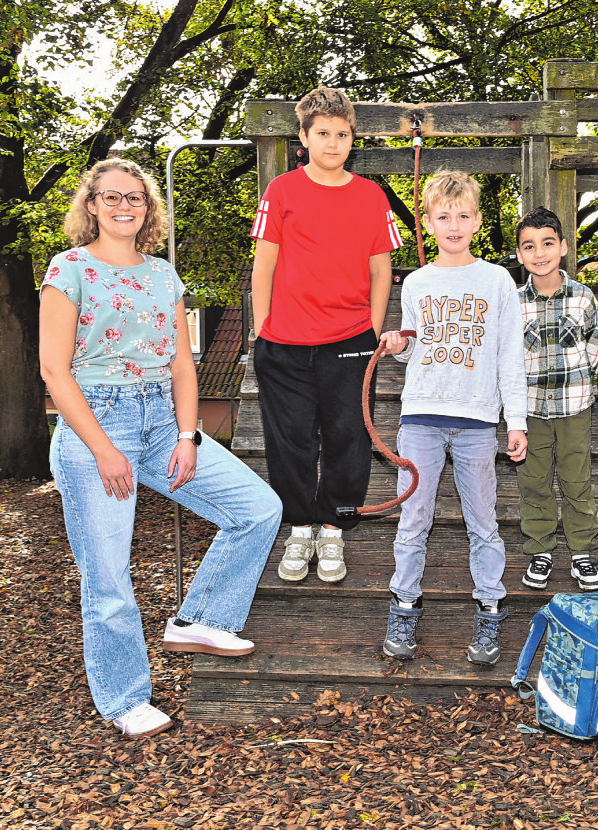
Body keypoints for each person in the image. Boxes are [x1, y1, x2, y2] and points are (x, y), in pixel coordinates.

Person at [40, 158, 283, 738]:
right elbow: (53, 368)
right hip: (96, 424)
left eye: (136, 197)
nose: (124, 206)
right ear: (91, 204)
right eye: (112, 196)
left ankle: (200, 619)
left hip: (161, 422)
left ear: (149, 209)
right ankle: (125, 700)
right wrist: (104, 449)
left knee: (258, 508)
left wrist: (187, 434)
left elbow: (181, 364)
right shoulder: (69, 269)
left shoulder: (162, 274)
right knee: (108, 577)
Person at [250, 86, 402, 584]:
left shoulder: (371, 195)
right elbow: (264, 265)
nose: (333, 143)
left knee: (348, 437)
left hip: (350, 340)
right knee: (290, 440)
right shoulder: (281, 191)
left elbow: (382, 270)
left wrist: (371, 330)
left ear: (352, 139)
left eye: (341, 134)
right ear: (304, 137)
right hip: (284, 344)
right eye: (322, 134)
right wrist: (261, 329)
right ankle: (299, 527)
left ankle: (334, 527)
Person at [377, 171, 528, 667]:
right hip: (421, 415)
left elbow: (509, 355)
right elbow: (412, 348)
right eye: (444, 217)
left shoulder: (497, 280)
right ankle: (404, 605)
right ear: (428, 223)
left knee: (482, 521)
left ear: (478, 220)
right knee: (413, 517)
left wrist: (516, 421)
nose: (454, 225)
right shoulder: (417, 282)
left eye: (463, 216)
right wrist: (397, 345)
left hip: (477, 420)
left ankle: (489, 608)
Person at [514, 207, 598, 592]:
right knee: (534, 480)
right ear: (520, 254)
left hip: (573, 407)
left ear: (563, 247)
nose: (540, 253)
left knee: (576, 478)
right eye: (529, 246)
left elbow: (594, 345)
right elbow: (508, 356)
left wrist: (579, 384)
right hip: (531, 408)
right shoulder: (513, 302)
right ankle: (540, 549)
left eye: (548, 243)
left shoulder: (583, 298)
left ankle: (582, 551)